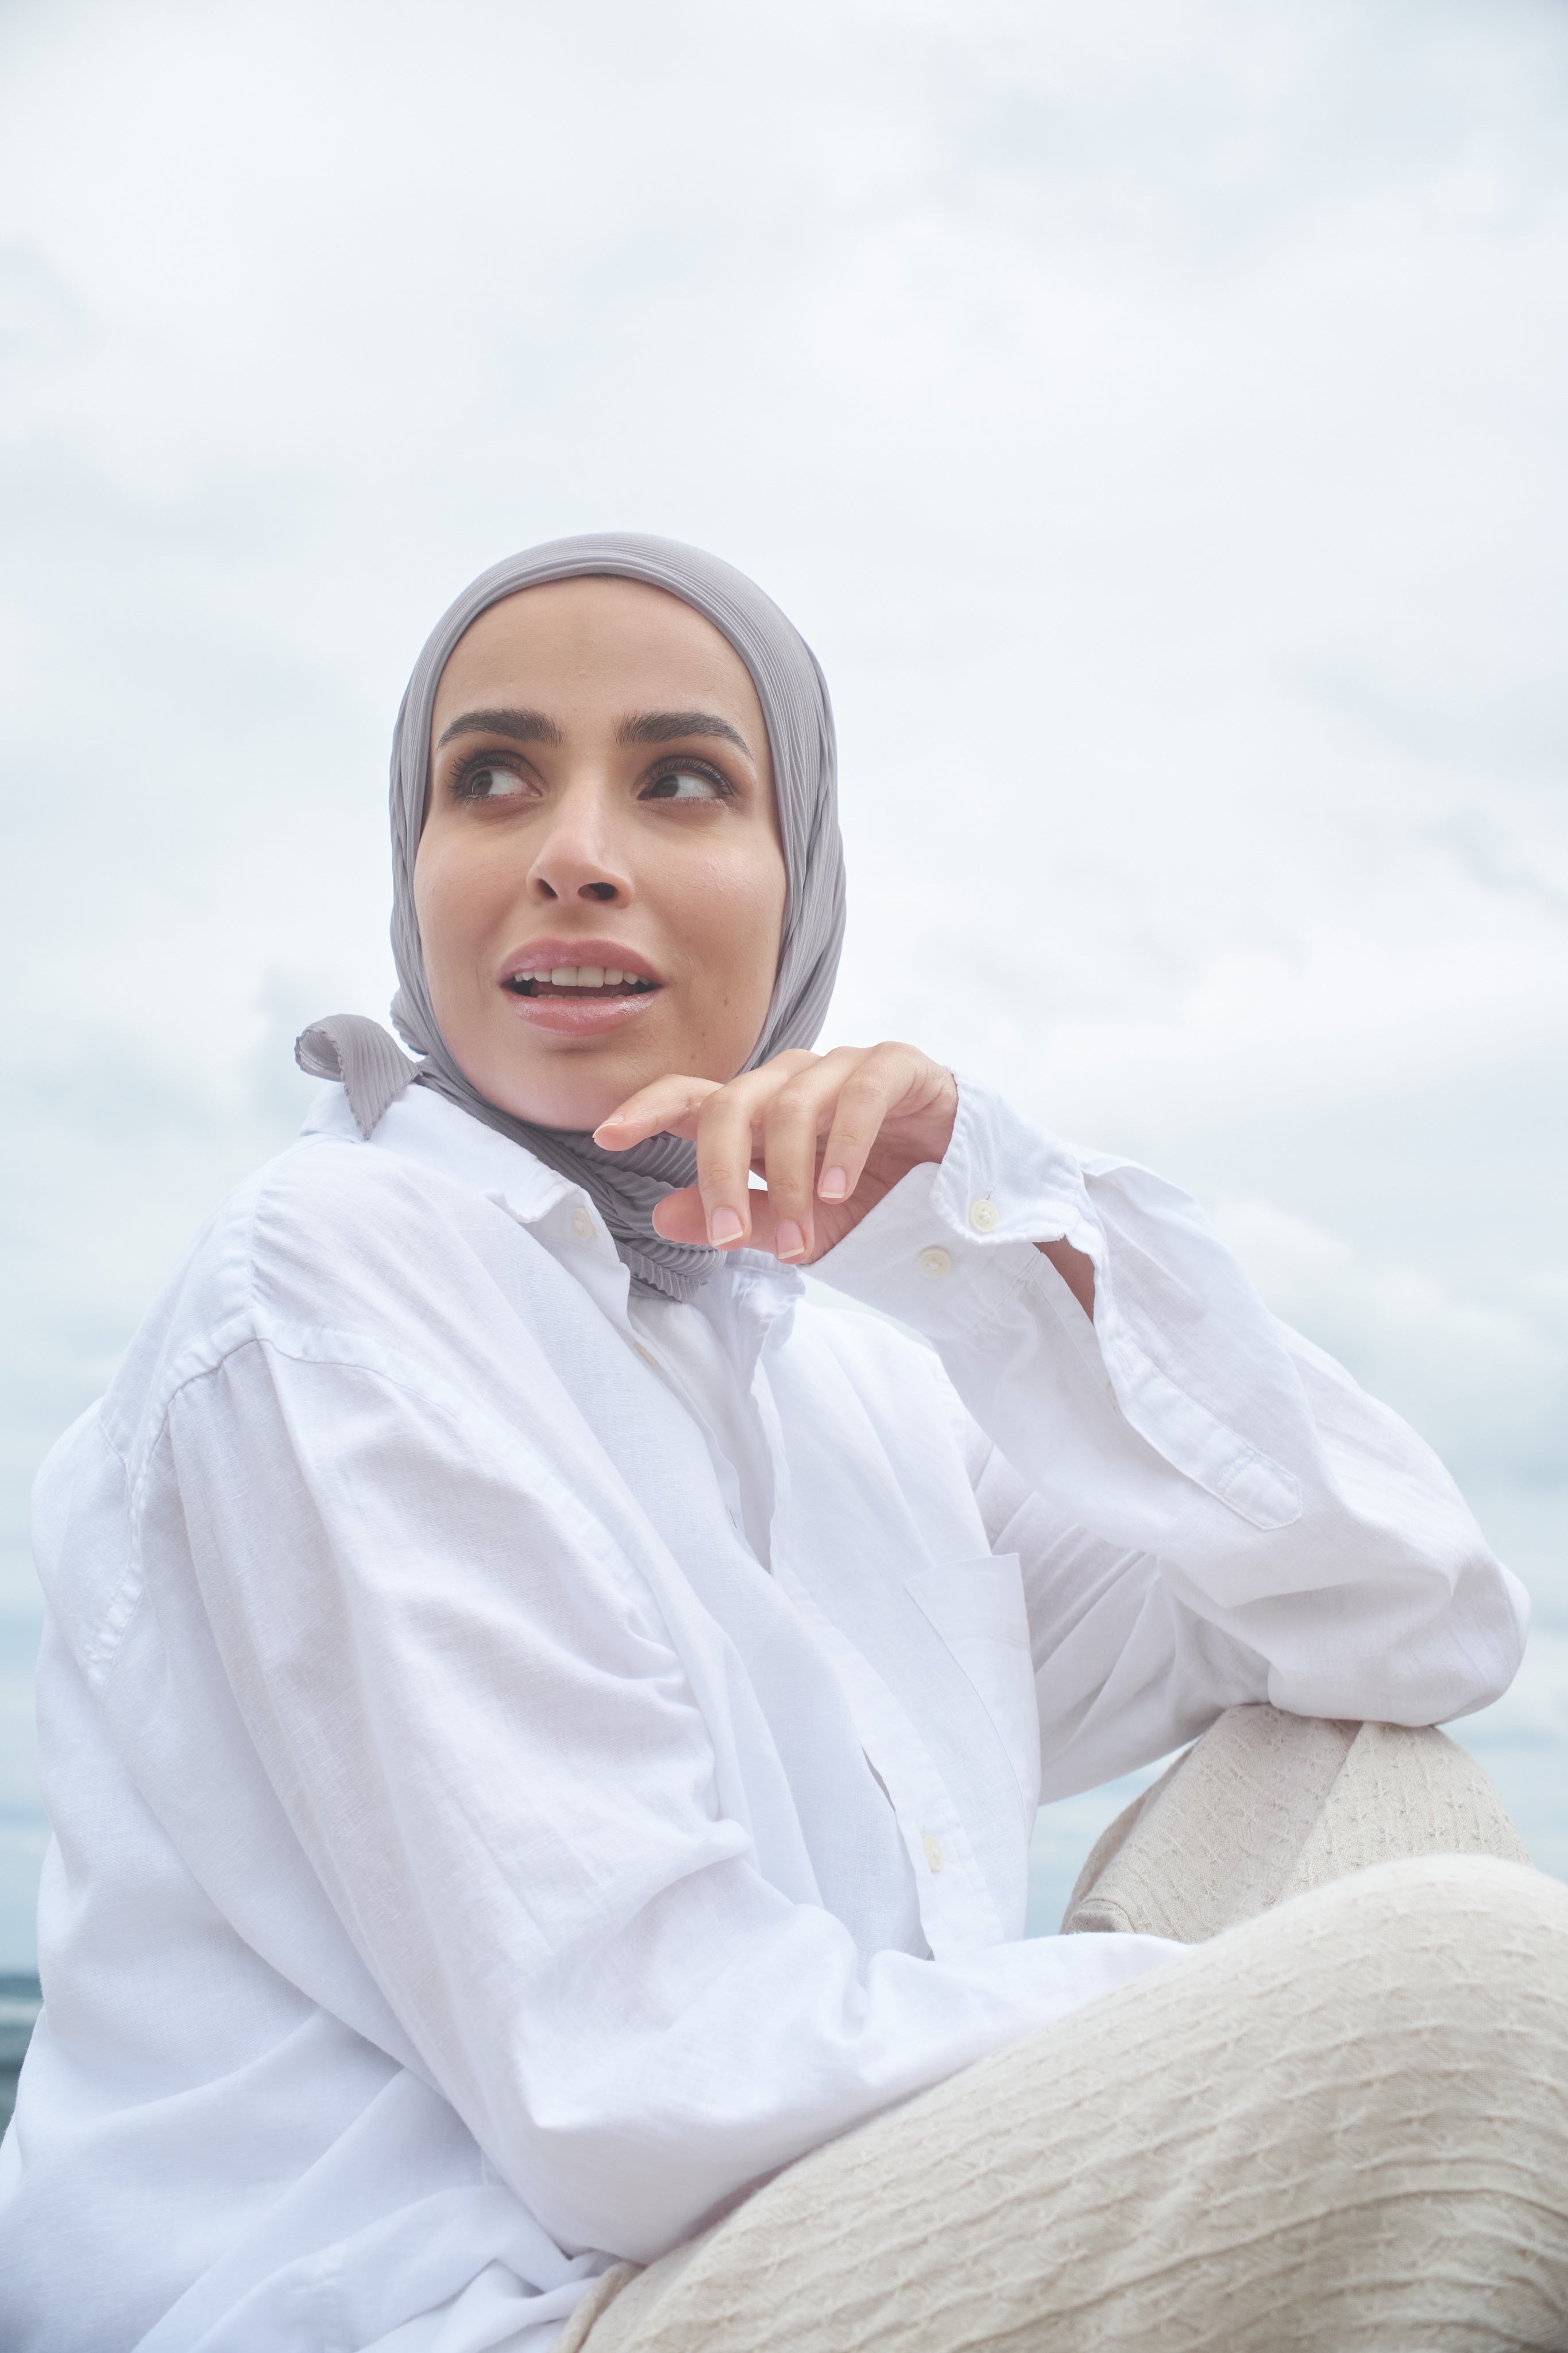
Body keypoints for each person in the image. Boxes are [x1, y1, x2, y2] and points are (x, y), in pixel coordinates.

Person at [2, 535, 1563, 2353]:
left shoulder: (851, 1374)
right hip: (471, 2315)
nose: (571, 848)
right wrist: (1252, 2024)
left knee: (1376, 1786)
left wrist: (1005, 1238)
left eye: (681, 780)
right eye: (489, 775)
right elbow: (634, 2078)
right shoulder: (337, 1272)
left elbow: (1403, 1620)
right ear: (415, 868)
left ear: (799, 873)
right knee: (1474, 2004)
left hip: (782, 2238)